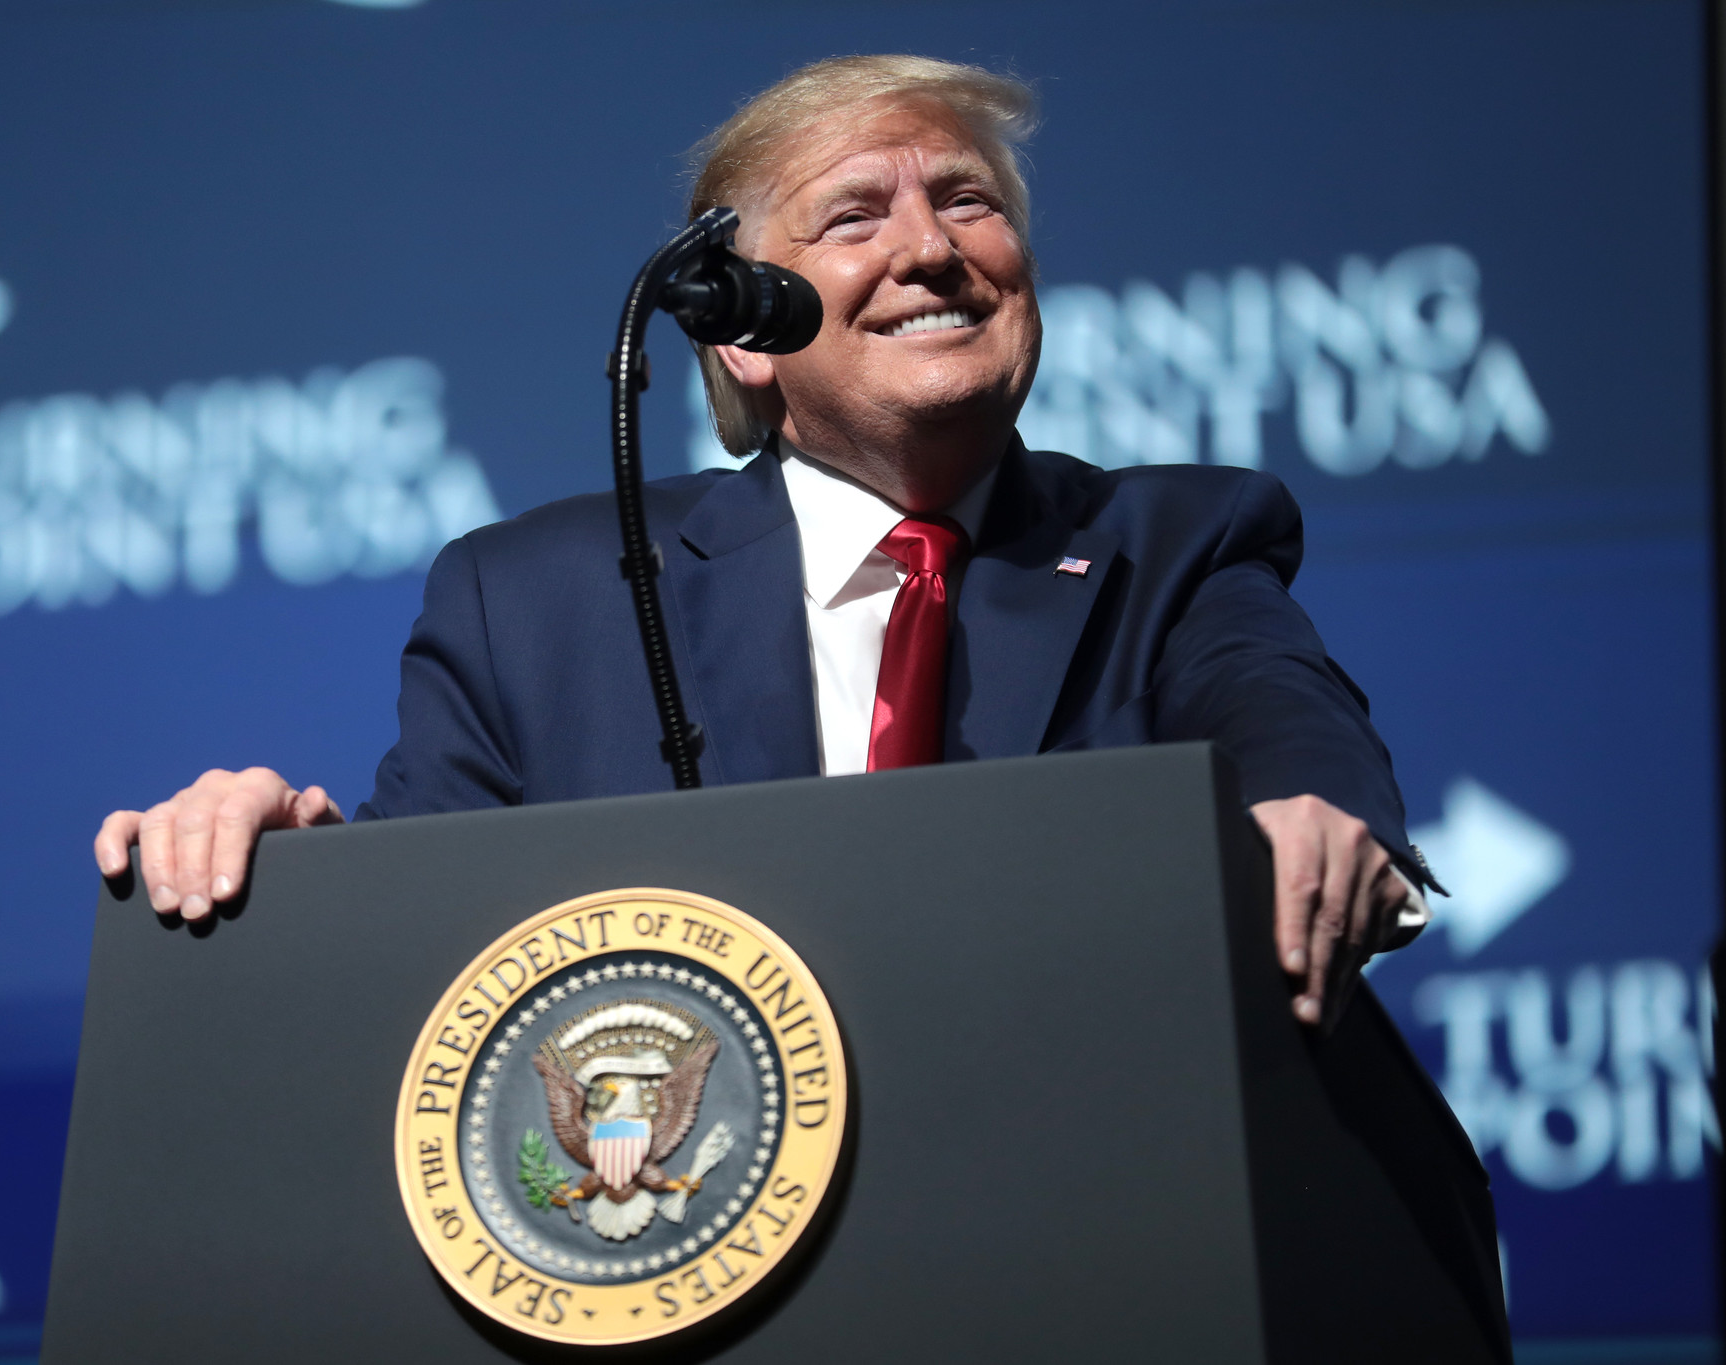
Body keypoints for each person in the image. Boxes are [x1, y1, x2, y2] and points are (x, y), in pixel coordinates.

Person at [95, 54, 1501, 1351]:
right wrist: (293, 877)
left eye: (969, 201)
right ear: (743, 335)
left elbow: (1283, 714)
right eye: (854, 218)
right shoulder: (534, 601)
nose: (932, 248)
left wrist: (1313, 817)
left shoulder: (1175, 542)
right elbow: (437, 986)